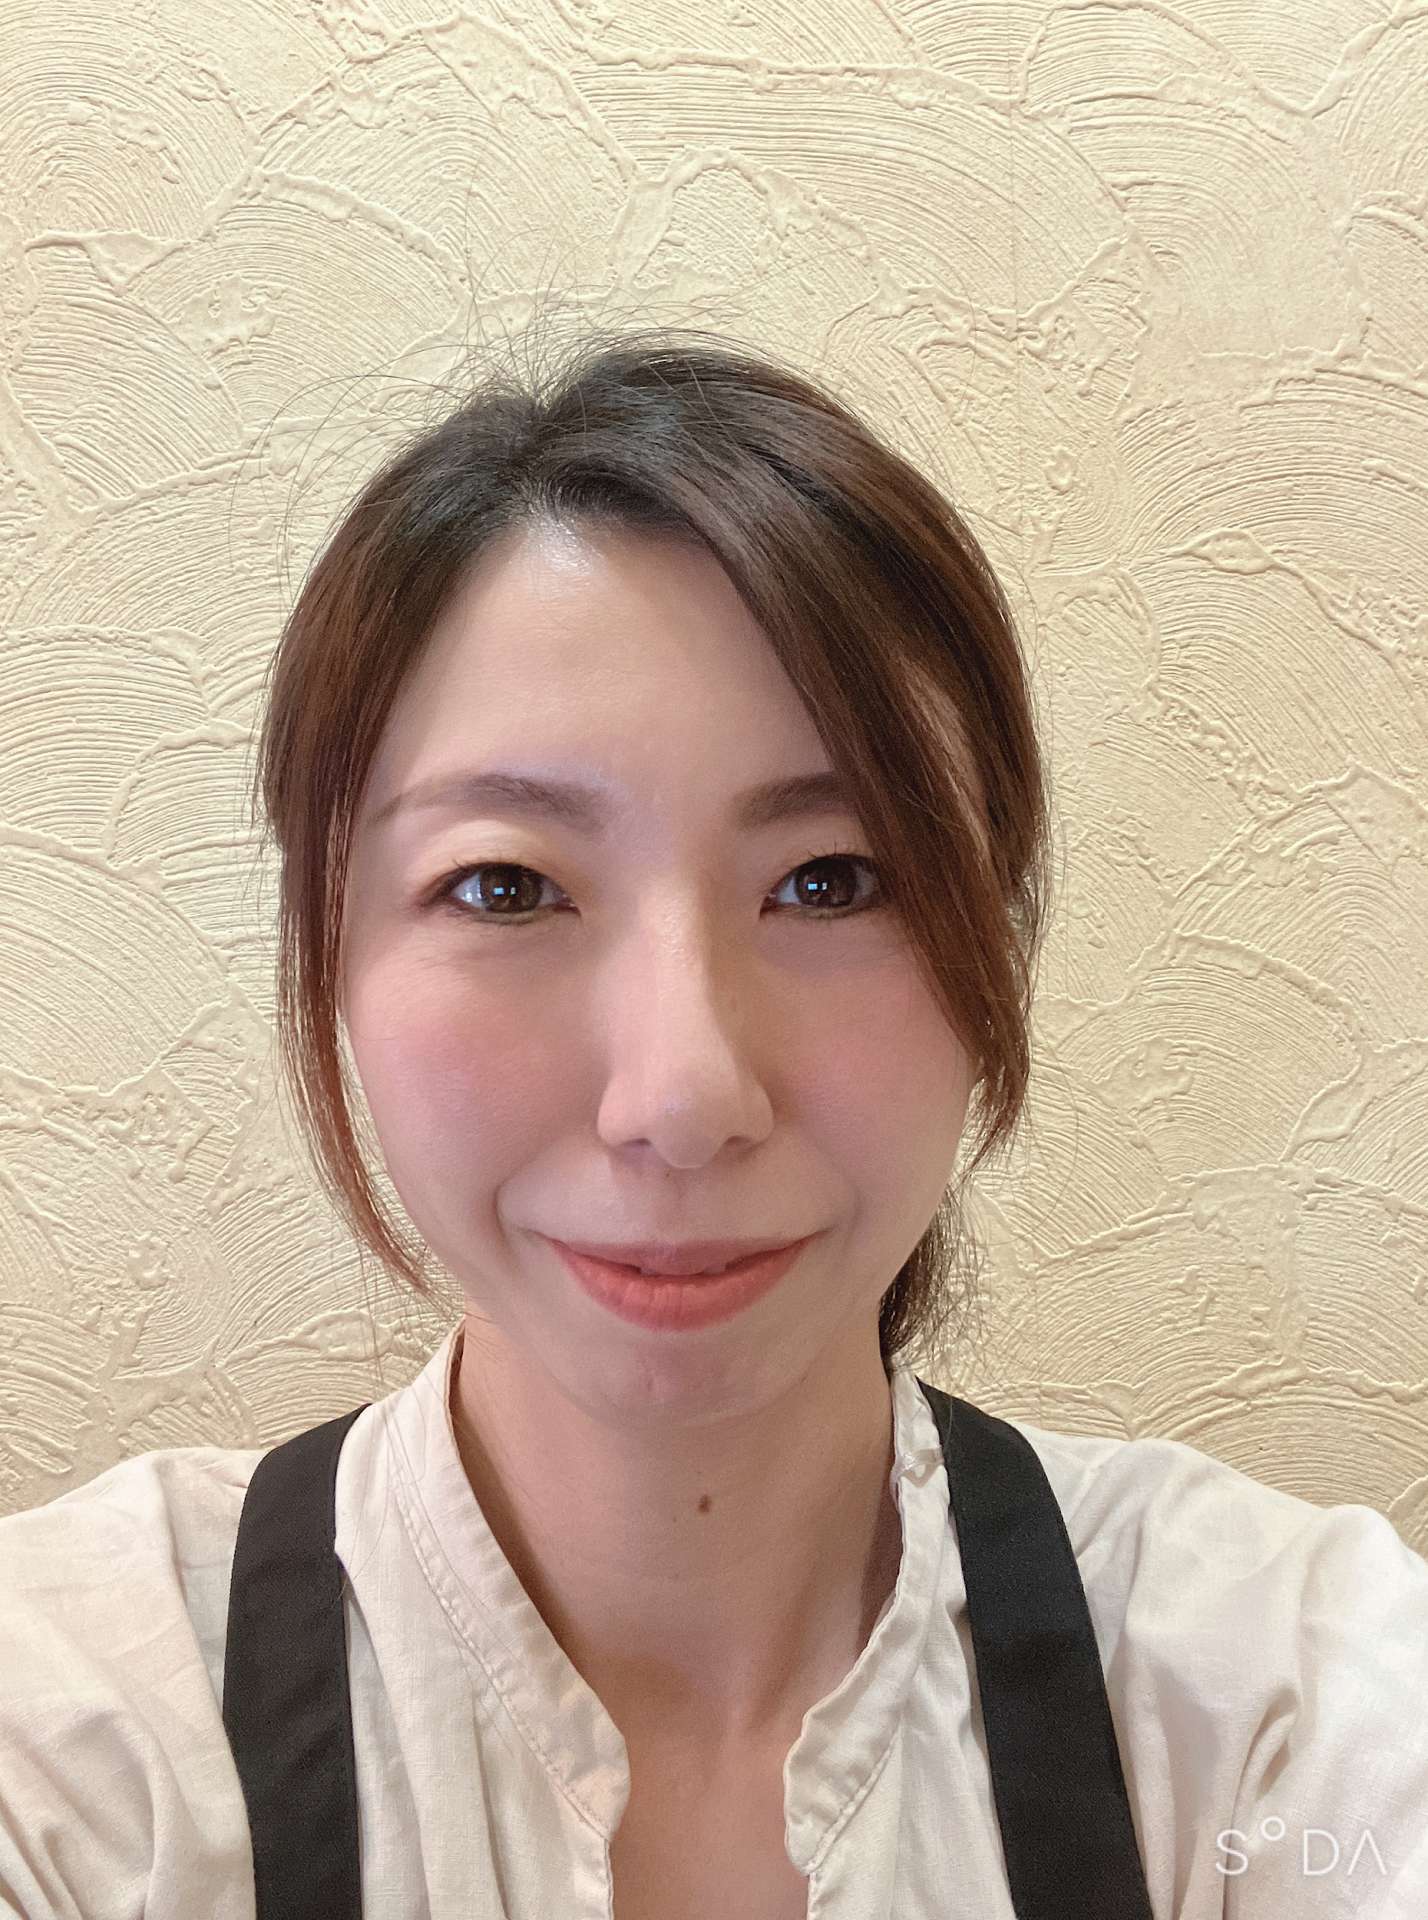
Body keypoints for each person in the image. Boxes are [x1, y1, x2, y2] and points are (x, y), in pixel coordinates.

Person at [0, 325, 1424, 1920]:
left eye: (833, 880)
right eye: (505, 886)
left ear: (996, 942)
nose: (681, 1099)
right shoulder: (82, 1742)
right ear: (331, 952)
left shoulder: (1283, 1709)